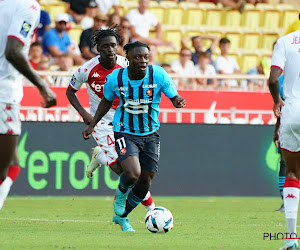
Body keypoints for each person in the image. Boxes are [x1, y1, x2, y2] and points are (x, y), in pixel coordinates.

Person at [82, 41, 186, 231]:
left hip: (150, 133)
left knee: (145, 181)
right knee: (132, 173)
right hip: (124, 131)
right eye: (137, 57)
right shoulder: (116, 78)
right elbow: (105, 102)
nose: (143, 61)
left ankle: (122, 215)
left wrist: (177, 100)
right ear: (128, 58)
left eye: (146, 57)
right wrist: (92, 125)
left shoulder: (159, 74)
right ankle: (120, 196)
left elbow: (173, 95)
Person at [66, 28, 155, 216]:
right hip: (102, 124)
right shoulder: (86, 69)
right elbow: (70, 91)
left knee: (132, 170)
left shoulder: (126, 64)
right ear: (98, 48)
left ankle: (100, 156)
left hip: (126, 121)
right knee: (126, 172)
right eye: (105, 46)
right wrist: (83, 113)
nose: (110, 49)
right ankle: (151, 209)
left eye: (114, 45)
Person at [0, 0, 57, 210]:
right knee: (3, 167)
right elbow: (13, 51)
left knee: (13, 163)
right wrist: (42, 85)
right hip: (4, 91)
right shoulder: (28, 7)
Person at [269, 23, 300, 250]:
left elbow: (272, 80)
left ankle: (291, 238)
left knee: (291, 172)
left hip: (293, 110)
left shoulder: (285, 41)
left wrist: (277, 101)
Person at [273, 74, 285, 213]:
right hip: (286, 123)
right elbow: (280, 108)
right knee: (285, 162)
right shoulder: (281, 79)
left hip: (289, 123)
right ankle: (286, 201)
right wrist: (276, 131)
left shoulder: (278, 79)